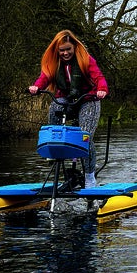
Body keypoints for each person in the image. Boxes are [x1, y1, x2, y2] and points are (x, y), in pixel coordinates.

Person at [28, 30, 109, 188]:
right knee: (55, 106)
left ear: (74, 47)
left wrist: (102, 90)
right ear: (57, 50)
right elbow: (44, 77)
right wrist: (36, 87)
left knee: (85, 137)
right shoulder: (53, 62)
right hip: (67, 98)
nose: (65, 53)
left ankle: (90, 177)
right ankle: (55, 148)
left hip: (88, 98)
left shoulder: (85, 59)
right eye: (62, 50)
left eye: (68, 49)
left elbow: (99, 77)